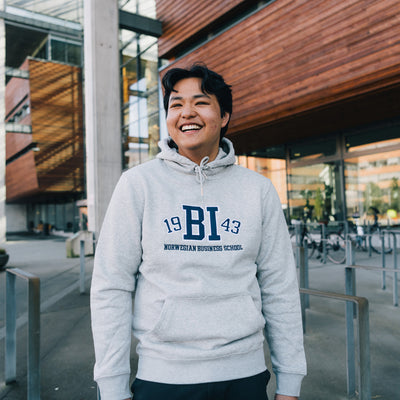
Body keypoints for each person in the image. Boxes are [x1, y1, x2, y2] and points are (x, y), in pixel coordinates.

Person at [91, 64, 306, 400]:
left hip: (245, 375)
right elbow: (111, 286)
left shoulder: (258, 190)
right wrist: (112, 387)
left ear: (224, 117)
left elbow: (280, 287)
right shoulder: (138, 185)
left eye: (201, 102)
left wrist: (290, 379)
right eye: (176, 104)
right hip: (163, 376)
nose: (186, 112)